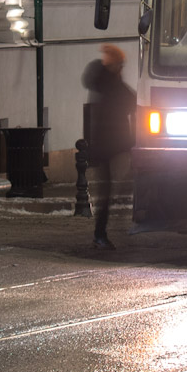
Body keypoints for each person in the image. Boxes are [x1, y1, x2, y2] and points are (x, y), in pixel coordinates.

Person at [81, 43, 134, 249]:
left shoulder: (105, 83)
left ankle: (103, 231)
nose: (122, 69)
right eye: (120, 65)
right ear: (113, 65)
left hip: (109, 145)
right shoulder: (112, 85)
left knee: (109, 190)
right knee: (109, 190)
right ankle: (101, 233)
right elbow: (130, 101)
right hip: (112, 145)